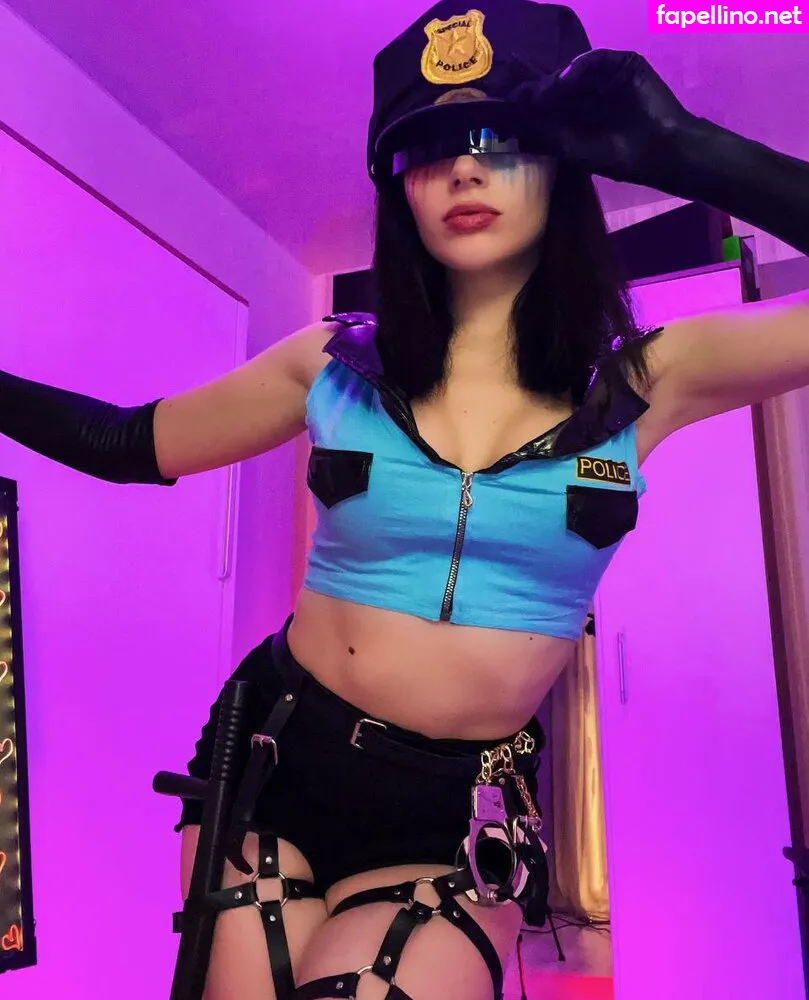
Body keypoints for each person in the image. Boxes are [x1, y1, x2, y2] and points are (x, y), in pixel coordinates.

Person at [2, 1, 808, 998]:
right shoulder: (332, 364)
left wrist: (690, 153)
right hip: (275, 757)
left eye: (500, 137)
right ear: (399, 187)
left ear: (564, 166)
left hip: (456, 808)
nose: (463, 169)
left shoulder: (645, 377)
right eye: (427, 148)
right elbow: (126, 441)